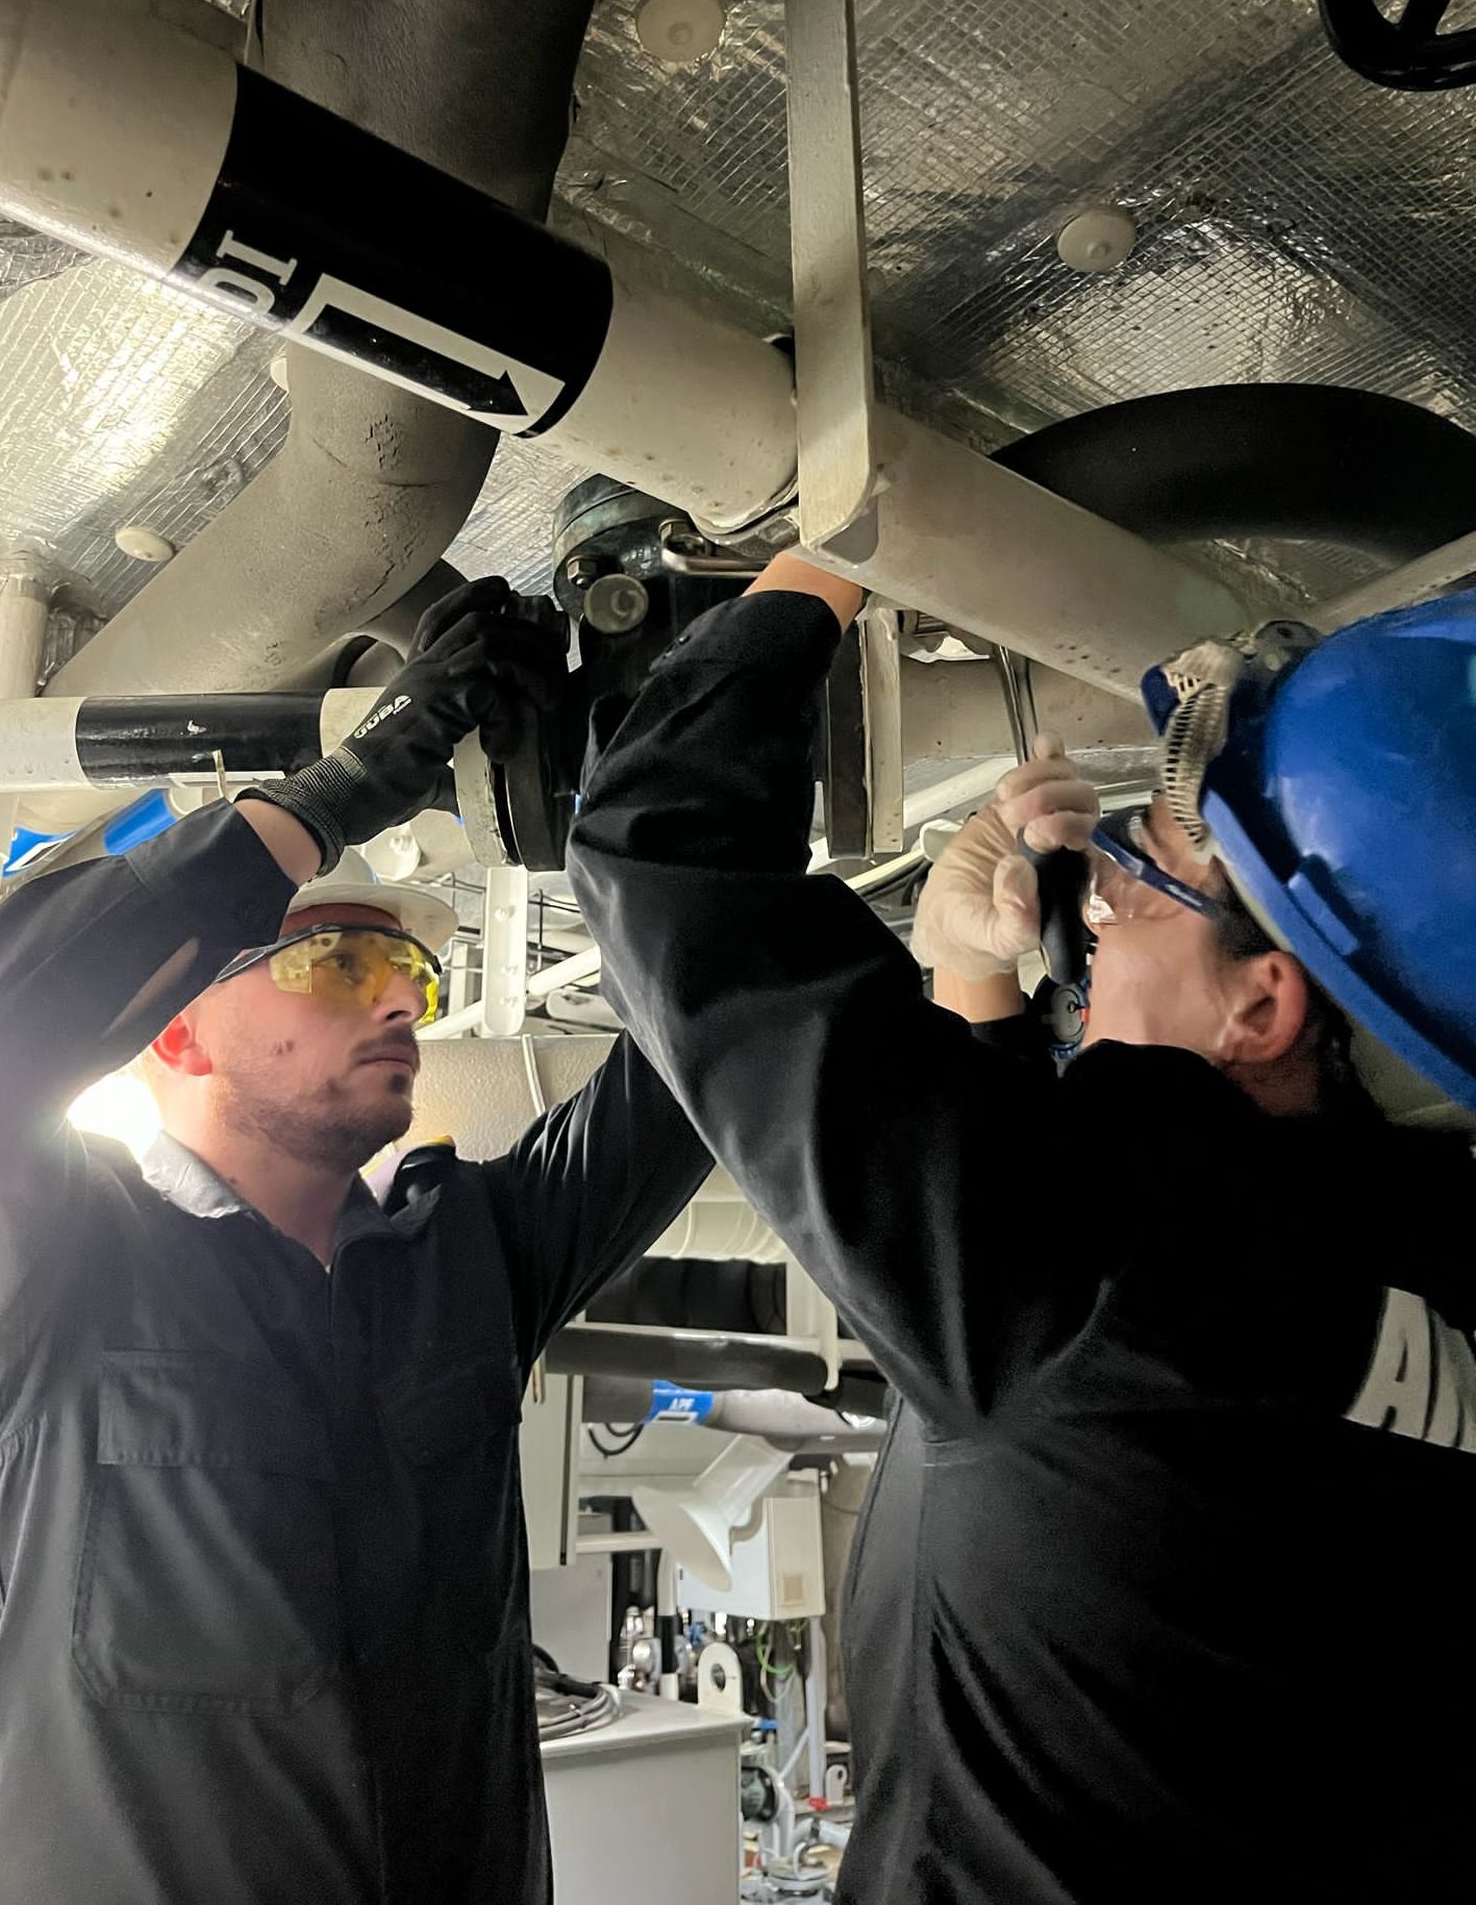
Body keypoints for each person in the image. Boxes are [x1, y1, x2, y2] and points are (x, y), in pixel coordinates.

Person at [567, 554, 1476, 1904]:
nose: (1098, 895)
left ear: (1266, 1005)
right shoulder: (1429, 1255)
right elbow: (1095, 1369)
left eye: (1146, 873)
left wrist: (842, 532)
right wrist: (975, 981)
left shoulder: (1099, 1247)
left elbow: (655, 841)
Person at [0, 578, 712, 1905]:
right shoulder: (39, 1273)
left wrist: (641, 789)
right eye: (333, 968)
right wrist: (342, 794)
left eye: (413, 982)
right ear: (178, 1032)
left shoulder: (467, 1258)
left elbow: (702, 1051)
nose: (396, 1002)